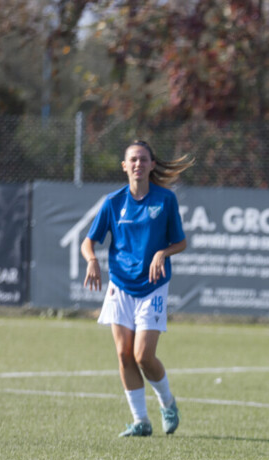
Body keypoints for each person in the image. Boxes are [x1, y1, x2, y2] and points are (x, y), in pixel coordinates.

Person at [81, 140, 194, 437]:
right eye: (132, 159)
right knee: (123, 354)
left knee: (143, 355)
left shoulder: (165, 200)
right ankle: (140, 421)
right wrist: (92, 259)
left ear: (152, 165)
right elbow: (88, 241)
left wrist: (162, 253)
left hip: (153, 287)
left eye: (143, 159)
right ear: (124, 165)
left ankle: (167, 402)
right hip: (120, 286)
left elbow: (180, 242)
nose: (138, 164)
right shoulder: (113, 202)